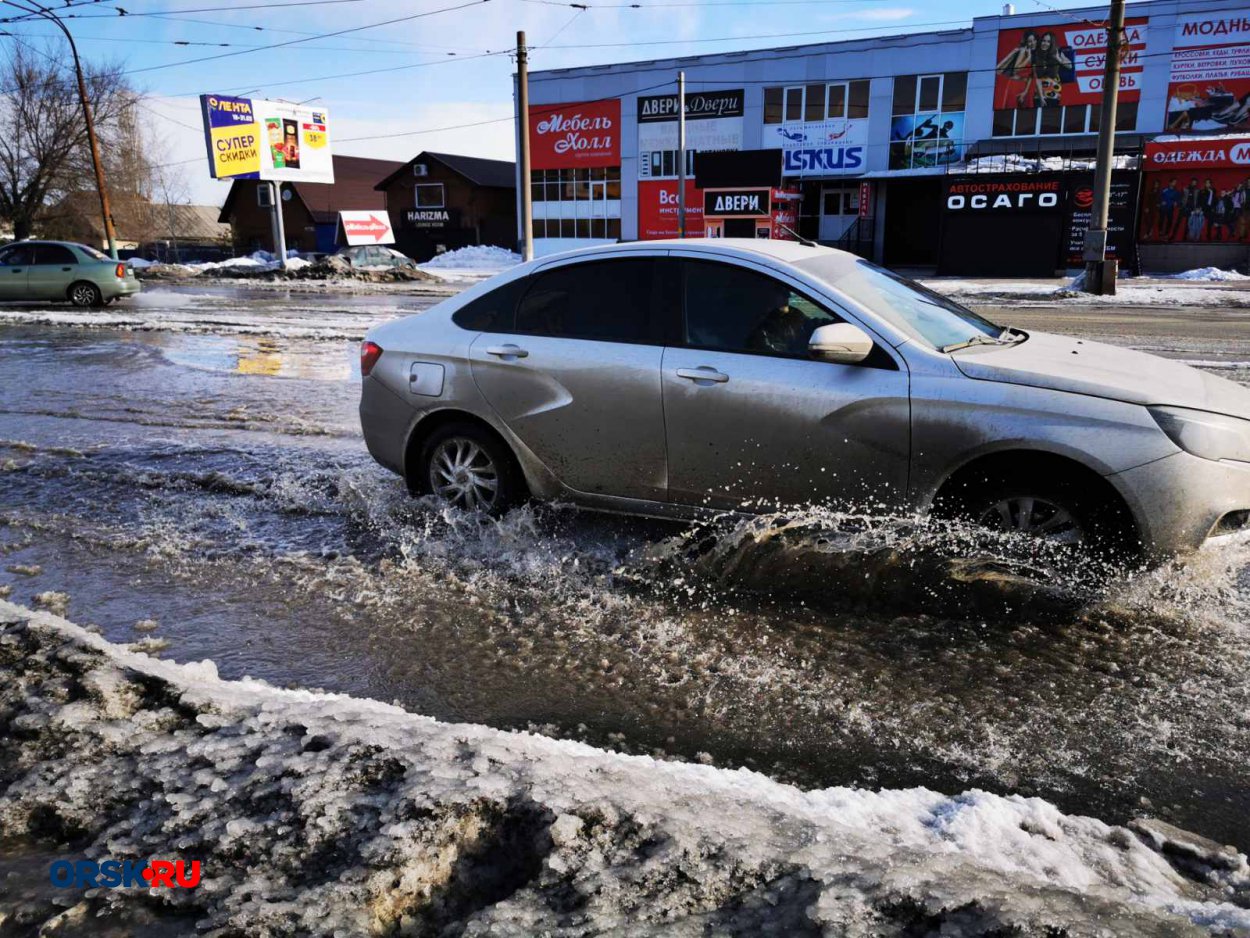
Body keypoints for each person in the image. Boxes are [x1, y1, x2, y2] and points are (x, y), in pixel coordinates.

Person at [996, 31, 1036, 109]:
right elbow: (1016, 69)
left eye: (1033, 40)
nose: (1032, 43)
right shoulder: (1023, 51)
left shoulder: (1033, 53)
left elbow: (1031, 75)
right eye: (1029, 41)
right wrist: (1028, 58)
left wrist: (1026, 91)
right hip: (1016, 85)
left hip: (1027, 87)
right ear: (1026, 42)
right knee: (1011, 111)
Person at [1156, 177, 1182, 241]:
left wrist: (1176, 203)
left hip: (1170, 208)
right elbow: (1159, 197)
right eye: (1173, 182)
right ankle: (1160, 232)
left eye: (1175, 182)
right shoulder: (1164, 190)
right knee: (1161, 220)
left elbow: (1179, 200)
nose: (1174, 183)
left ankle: (1166, 234)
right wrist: (1161, 202)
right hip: (1163, 208)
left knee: (1170, 221)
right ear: (1170, 183)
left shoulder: (1176, 192)